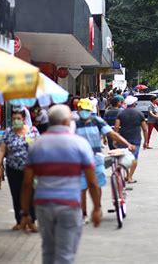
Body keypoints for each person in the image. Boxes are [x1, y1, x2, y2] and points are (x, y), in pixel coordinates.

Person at [20, 105, 101, 264]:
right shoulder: (80, 144)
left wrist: (25, 213)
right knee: (65, 255)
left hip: (43, 205)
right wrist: (96, 208)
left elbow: (27, 183)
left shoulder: (37, 144)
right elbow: (92, 182)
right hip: (69, 205)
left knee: (48, 251)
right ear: (66, 121)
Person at [76, 98, 134, 224]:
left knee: (96, 184)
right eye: (82, 110)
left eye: (87, 110)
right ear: (78, 109)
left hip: (96, 157)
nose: (84, 112)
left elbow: (112, 133)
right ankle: (84, 214)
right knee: (82, 187)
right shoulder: (73, 123)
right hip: (79, 159)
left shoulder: (97, 121)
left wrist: (126, 143)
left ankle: (97, 208)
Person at [0, 106, 39, 232]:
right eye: (14, 118)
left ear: (24, 119)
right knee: (16, 194)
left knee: (31, 194)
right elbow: (2, 149)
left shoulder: (33, 131)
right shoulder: (8, 132)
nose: (16, 121)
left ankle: (31, 220)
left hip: (31, 169)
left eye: (18, 118)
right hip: (13, 168)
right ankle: (19, 221)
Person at [114, 96, 149, 183]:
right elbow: (145, 129)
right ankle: (129, 177)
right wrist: (146, 141)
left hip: (123, 139)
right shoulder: (139, 113)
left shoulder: (120, 114)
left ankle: (127, 174)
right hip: (135, 139)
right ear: (134, 104)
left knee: (125, 158)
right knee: (134, 158)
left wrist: (115, 139)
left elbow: (116, 127)